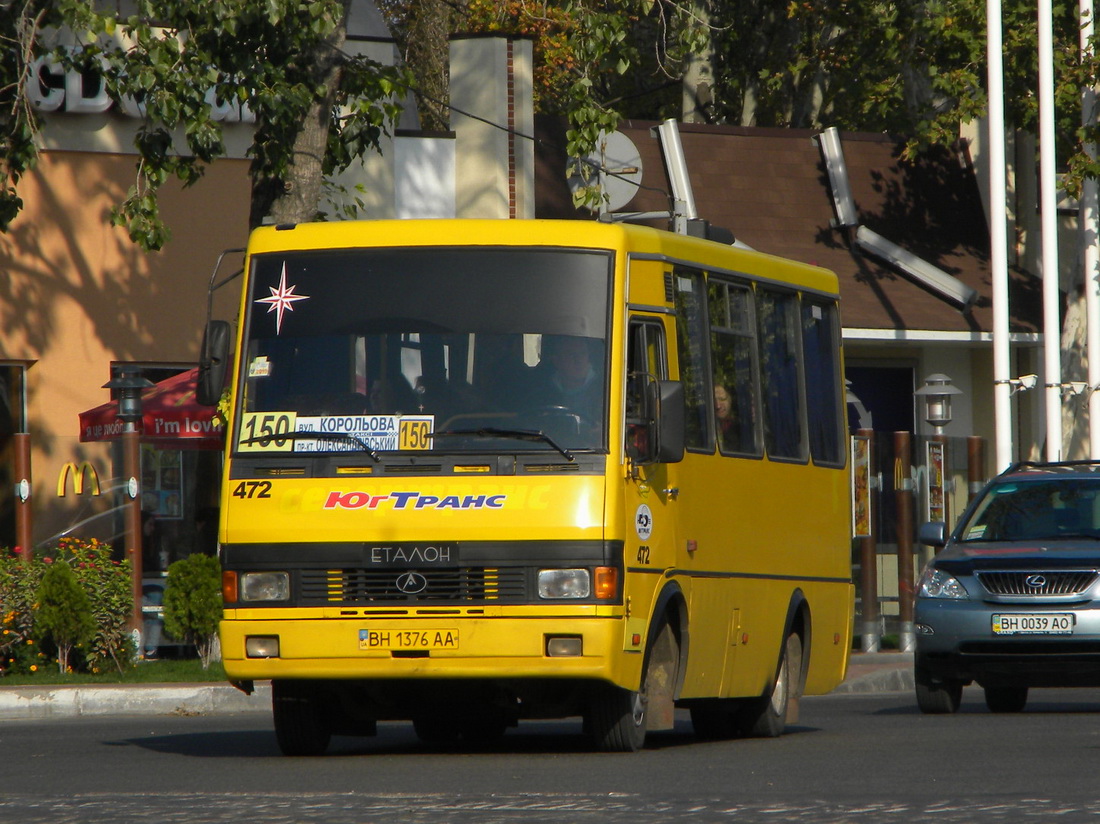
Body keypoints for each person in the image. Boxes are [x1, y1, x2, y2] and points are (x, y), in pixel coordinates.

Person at [526, 335, 602, 422]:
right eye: (571, 354)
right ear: (556, 361)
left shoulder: (604, 390)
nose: (578, 360)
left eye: (583, 353)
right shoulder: (541, 394)